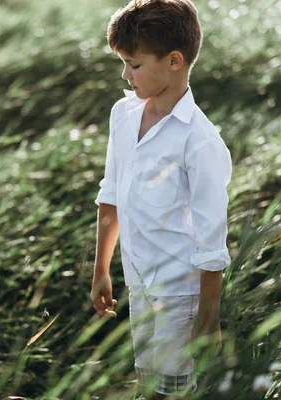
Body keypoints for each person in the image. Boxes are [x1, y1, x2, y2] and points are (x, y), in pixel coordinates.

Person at [91, 0, 233, 397]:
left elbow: (211, 238)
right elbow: (112, 193)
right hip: (139, 283)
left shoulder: (198, 140)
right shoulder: (123, 114)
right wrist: (102, 267)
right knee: (146, 382)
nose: (125, 73)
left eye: (134, 64)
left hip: (180, 292)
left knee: (172, 392)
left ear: (174, 60)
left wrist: (208, 315)